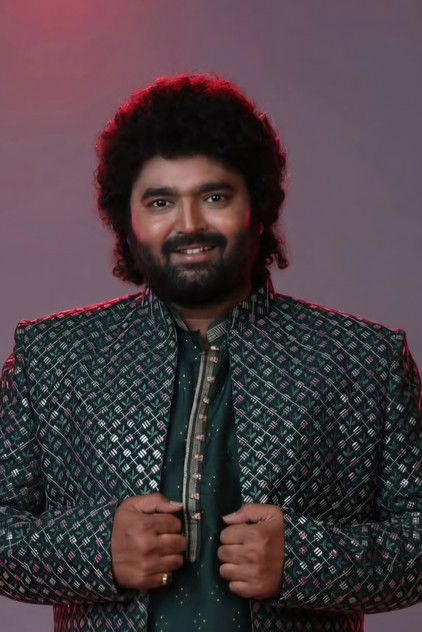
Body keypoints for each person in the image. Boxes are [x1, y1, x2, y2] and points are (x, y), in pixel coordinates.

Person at [0, 74, 420, 632]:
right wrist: (97, 548)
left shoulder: (363, 361)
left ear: (258, 206)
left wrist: (305, 560)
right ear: (127, 219)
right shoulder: (52, 357)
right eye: (160, 201)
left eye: (215, 196)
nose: (190, 224)